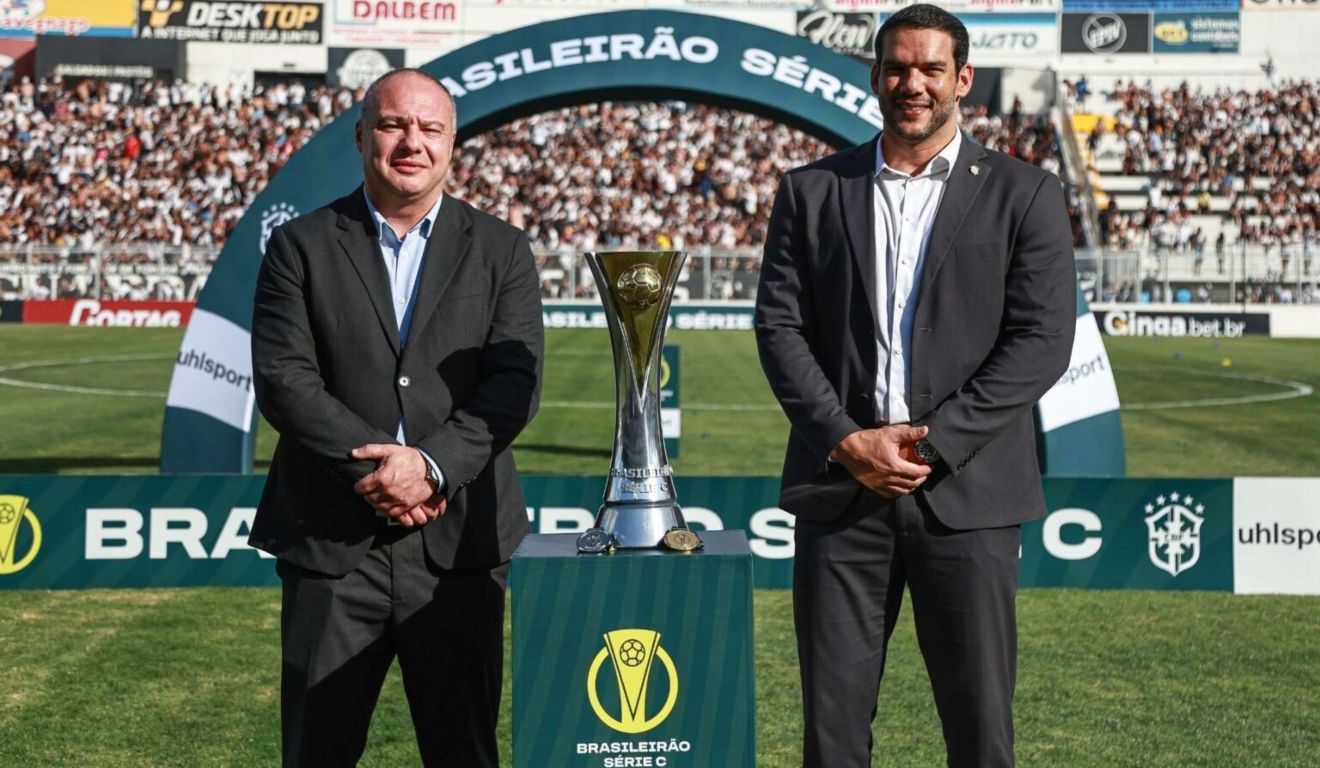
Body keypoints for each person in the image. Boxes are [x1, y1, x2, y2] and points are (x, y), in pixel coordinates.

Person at [754, 5, 1075, 767]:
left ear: (962, 79)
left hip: (968, 501)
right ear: (874, 75)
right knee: (832, 739)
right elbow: (779, 328)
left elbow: (1040, 343)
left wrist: (940, 444)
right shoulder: (810, 191)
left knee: (980, 733)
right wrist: (846, 439)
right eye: (898, 67)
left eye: (931, 68)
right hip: (841, 495)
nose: (913, 83)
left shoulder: (1024, 194)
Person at [249, 68, 544, 767]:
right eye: (393, 125)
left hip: (459, 549)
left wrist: (431, 467)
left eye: (429, 128)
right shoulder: (301, 246)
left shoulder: (504, 250)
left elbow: (513, 385)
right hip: (331, 545)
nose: (411, 142)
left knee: (464, 752)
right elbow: (285, 381)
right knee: (316, 751)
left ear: (452, 146)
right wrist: (389, 469)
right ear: (362, 137)